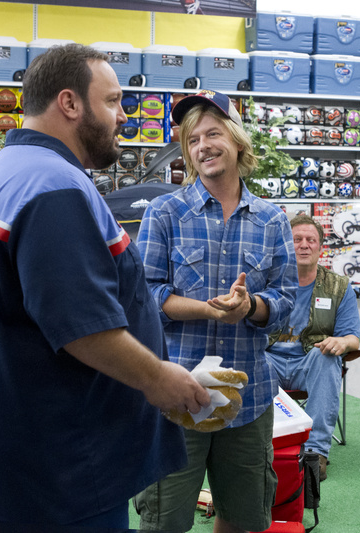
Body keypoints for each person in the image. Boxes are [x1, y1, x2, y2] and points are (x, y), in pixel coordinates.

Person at [0, 44, 210, 528]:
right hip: (64, 471)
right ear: (70, 103)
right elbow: (81, 326)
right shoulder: (54, 187)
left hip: (21, 458)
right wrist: (159, 379)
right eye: (112, 101)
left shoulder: (0, 176)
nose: (122, 117)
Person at [134, 89, 298, 533]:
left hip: (249, 398)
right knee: (163, 521)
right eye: (192, 140)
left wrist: (252, 307)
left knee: (243, 520)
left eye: (212, 133)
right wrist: (210, 311)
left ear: (238, 140)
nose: (202, 146)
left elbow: (287, 305)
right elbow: (143, 296)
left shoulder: (272, 220)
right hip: (176, 393)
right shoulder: (164, 213)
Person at [266, 214, 360, 481]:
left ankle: (314, 453)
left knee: (327, 357)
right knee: (252, 360)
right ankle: (260, 446)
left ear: (320, 248)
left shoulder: (339, 287)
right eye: (297, 239)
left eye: (311, 240)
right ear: (286, 244)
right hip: (269, 359)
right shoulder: (267, 281)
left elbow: (353, 338)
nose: (304, 245)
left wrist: (341, 342)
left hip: (309, 362)